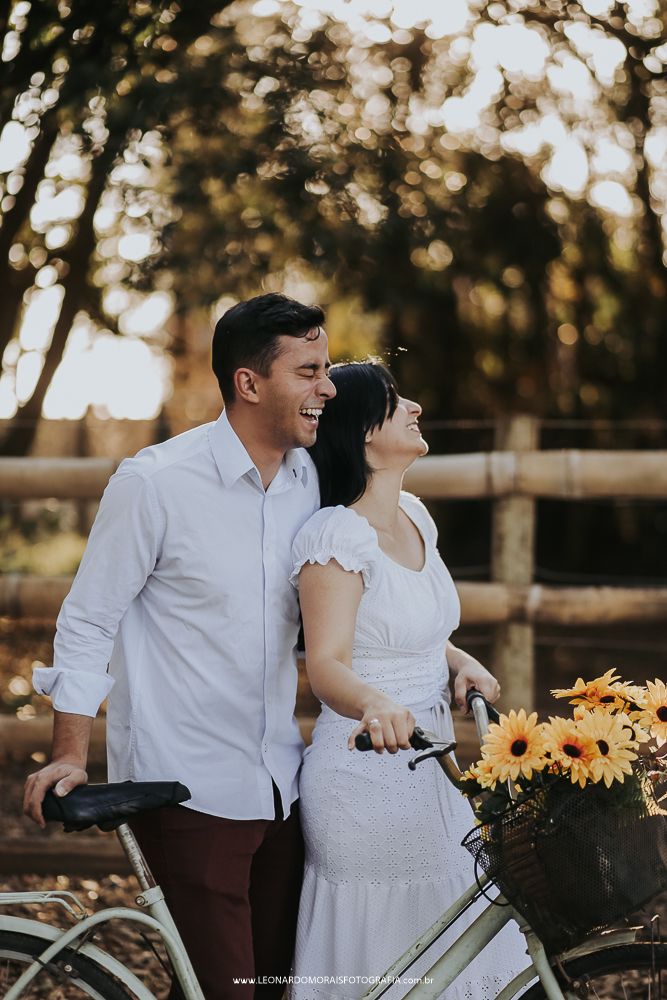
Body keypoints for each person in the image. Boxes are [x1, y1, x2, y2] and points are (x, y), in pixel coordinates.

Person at [23, 293, 336, 1000]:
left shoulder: (307, 484)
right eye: (308, 370)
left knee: (271, 988)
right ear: (248, 383)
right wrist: (70, 751)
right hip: (188, 787)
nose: (327, 387)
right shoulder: (155, 482)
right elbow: (87, 620)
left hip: (282, 787)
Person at [289, 361, 530, 1000]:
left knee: (456, 948)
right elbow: (328, 663)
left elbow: (407, 627)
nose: (415, 406)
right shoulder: (335, 534)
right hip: (366, 774)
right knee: (392, 960)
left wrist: (458, 662)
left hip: (433, 769)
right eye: (396, 401)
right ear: (365, 435)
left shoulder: (416, 515)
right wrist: (375, 703)